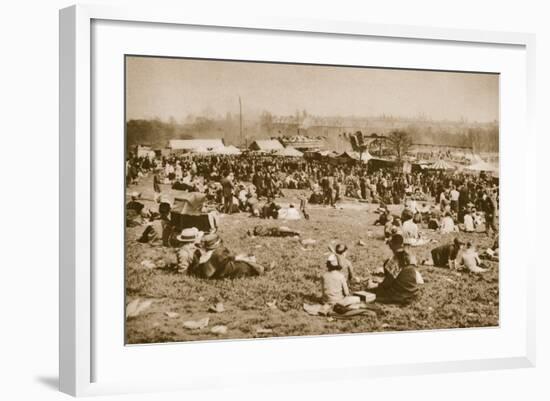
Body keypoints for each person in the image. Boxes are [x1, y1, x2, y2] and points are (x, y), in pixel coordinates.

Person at [366, 234, 420, 305]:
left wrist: (374, 286)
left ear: (391, 245)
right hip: (413, 292)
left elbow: (387, 284)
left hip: (401, 294)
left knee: (372, 293)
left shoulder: (393, 261)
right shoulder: (411, 256)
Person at [188, 233, 265, 279]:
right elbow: (230, 259)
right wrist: (244, 258)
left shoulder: (201, 253)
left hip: (216, 270)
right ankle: (263, 268)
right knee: (245, 265)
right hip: (227, 272)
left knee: (243, 259)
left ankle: (261, 266)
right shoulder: (219, 252)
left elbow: (229, 258)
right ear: (216, 244)